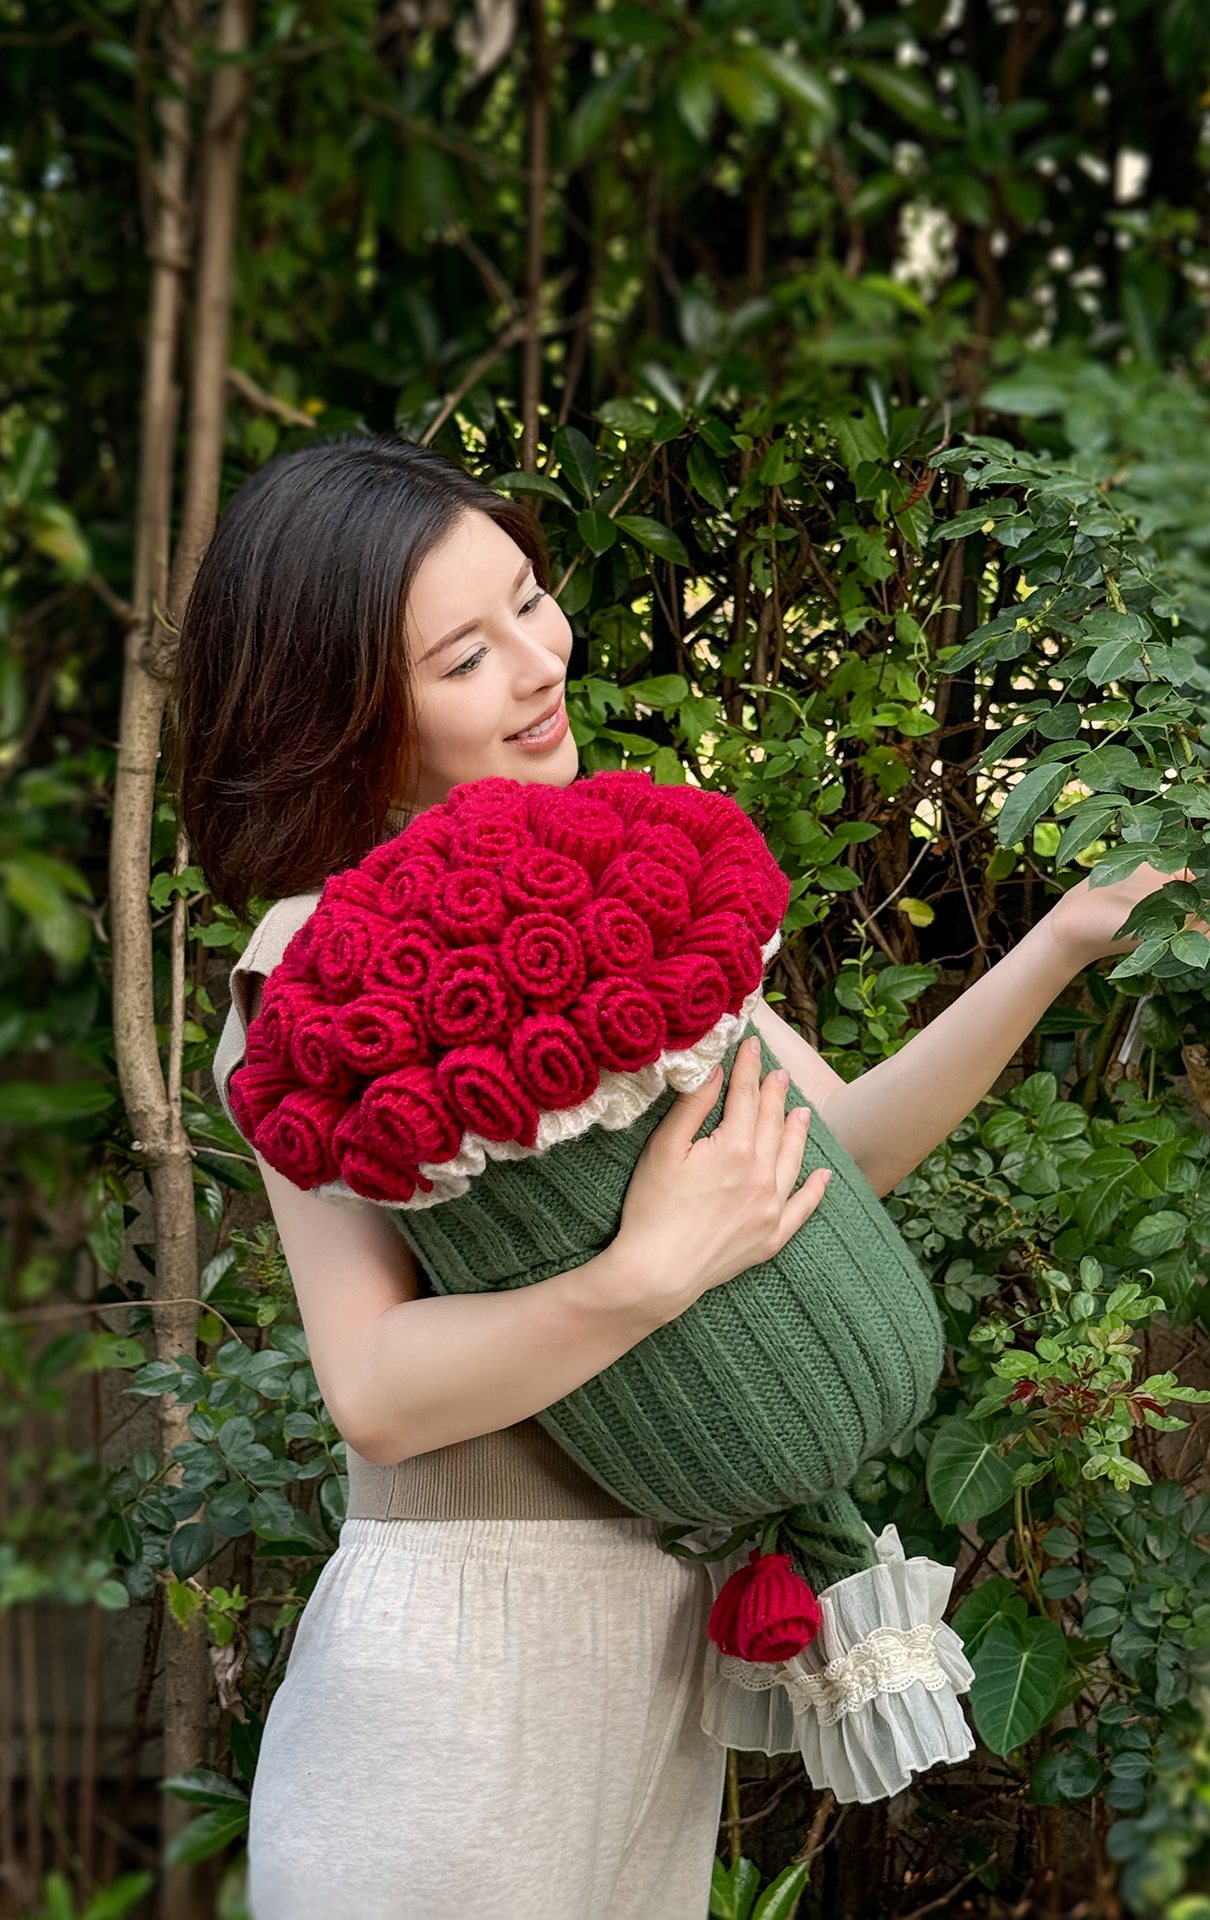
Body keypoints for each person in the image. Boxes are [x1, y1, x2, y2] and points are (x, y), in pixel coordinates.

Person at [175, 433, 836, 1920]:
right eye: (465, 657)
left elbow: (830, 1151)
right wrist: (644, 1274)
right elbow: (378, 1392)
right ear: (349, 712)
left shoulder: (611, 890)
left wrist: (1070, 942)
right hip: (456, 1697)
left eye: (531, 600)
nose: (541, 666)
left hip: (642, 1667)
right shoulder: (312, 972)